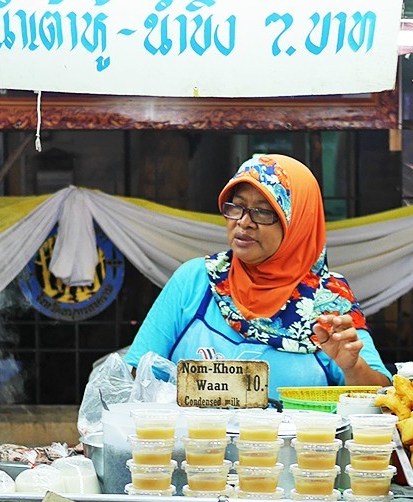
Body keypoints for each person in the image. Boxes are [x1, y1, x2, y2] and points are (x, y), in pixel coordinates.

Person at [125, 154, 391, 391]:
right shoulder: (195, 280)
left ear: (298, 223)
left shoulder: (329, 299)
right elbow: (139, 374)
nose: (244, 222)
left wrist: (352, 367)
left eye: (263, 212)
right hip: (194, 434)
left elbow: (381, 398)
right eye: (236, 207)